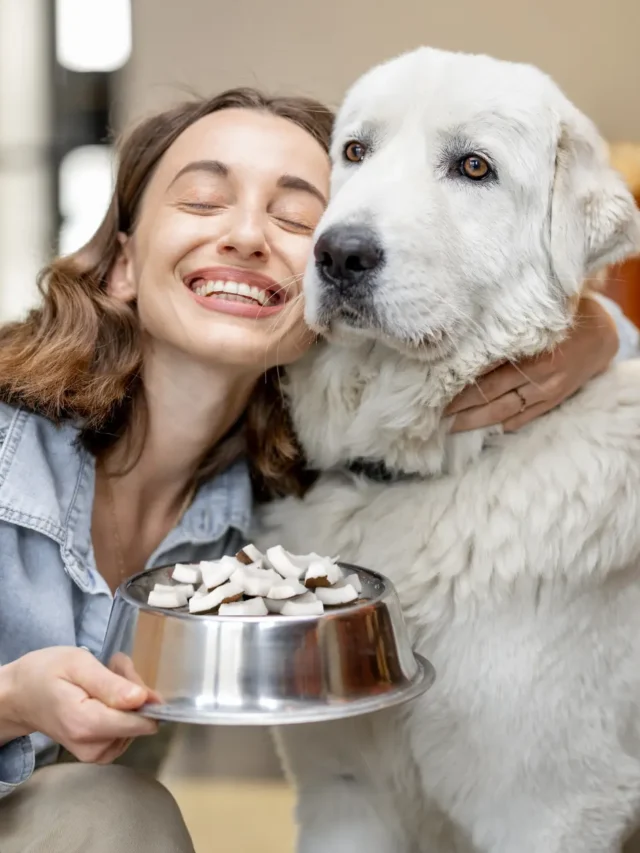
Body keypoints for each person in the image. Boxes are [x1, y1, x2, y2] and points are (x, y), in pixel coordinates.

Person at [0, 87, 636, 853]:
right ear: (126, 263)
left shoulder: (286, 503)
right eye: (203, 201)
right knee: (109, 808)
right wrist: (12, 698)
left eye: (299, 219)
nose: (246, 235)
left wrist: (592, 329)